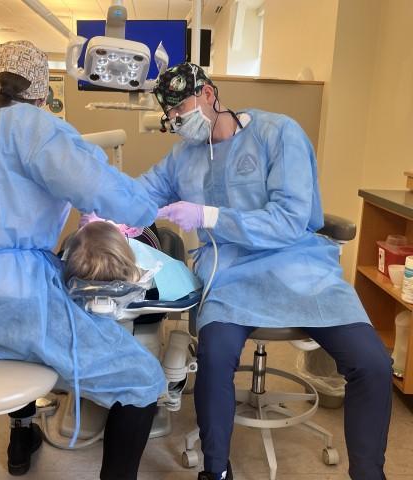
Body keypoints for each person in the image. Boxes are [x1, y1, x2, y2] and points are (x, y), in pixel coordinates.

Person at [138, 63, 392, 480]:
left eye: (180, 108)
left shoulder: (278, 134)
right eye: (169, 115)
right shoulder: (183, 157)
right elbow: (141, 191)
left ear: (209, 94)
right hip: (230, 272)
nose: (176, 121)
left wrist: (208, 214)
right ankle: (216, 470)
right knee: (216, 357)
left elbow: (290, 219)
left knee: (372, 364)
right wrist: (105, 210)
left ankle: (369, 473)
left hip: (296, 265)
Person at [0, 40, 166, 480]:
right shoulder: (33, 125)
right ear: (43, 93)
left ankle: (21, 434)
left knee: (35, 326)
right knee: (142, 379)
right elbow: (118, 197)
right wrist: (147, 208)